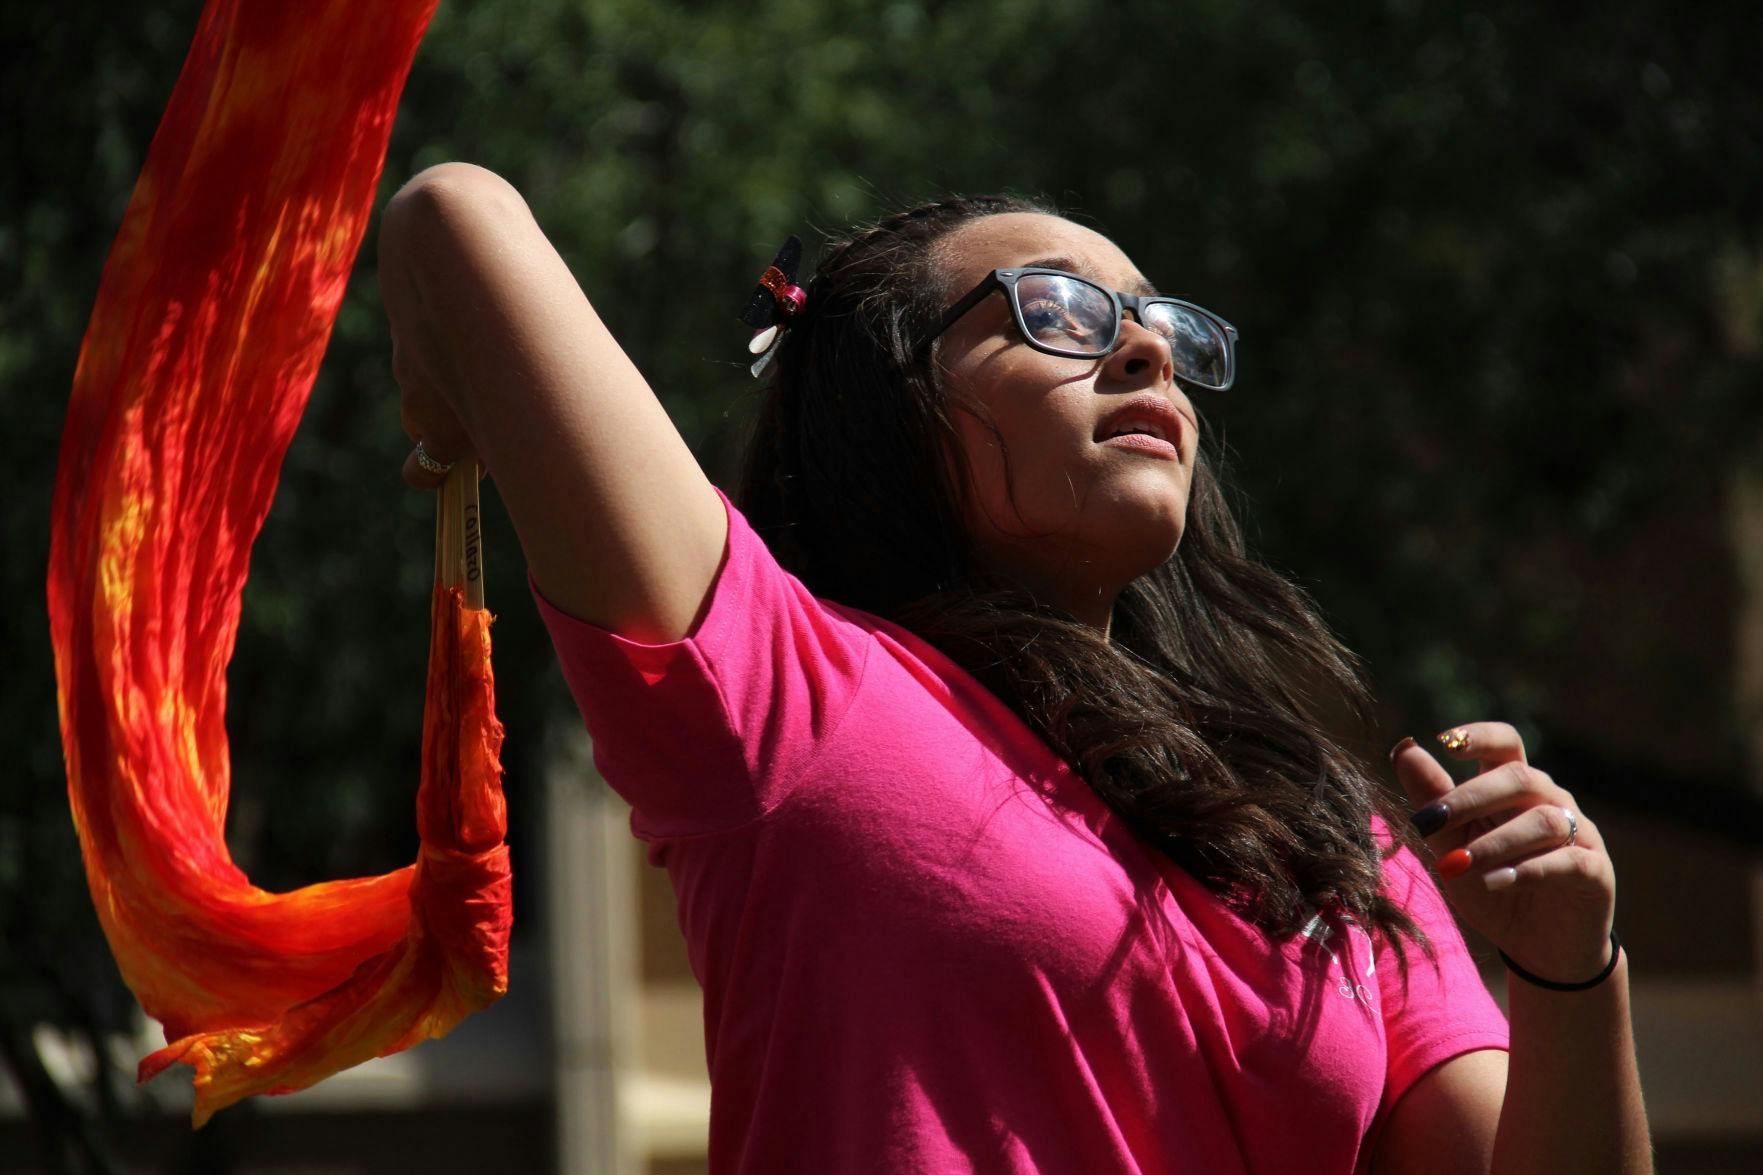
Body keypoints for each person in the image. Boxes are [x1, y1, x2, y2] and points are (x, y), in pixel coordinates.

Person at [376, 163, 1652, 1174]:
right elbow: (455, 218)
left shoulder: (1336, 843)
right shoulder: (784, 690)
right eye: (1058, 313)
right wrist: (445, 410)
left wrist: (1566, 968)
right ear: (895, 403)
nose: (1145, 351)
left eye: (1160, 325)